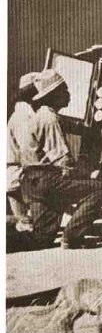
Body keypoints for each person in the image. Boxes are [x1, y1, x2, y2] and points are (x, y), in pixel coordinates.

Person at [19, 69, 102, 249]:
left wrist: (87, 129)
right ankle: (71, 236)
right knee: (99, 188)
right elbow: (63, 160)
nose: (68, 94)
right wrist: (87, 171)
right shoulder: (50, 119)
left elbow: (71, 126)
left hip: (32, 182)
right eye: (64, 90)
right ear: (54, 94)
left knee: (41, 238)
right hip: (47, 180)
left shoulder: (42, 115)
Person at [7, 72, 39, 233]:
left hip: (17, 173)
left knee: (27, 224)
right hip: (19, 174)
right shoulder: (23, 116)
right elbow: (28, 148)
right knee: (26, 224)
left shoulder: (21, 114)